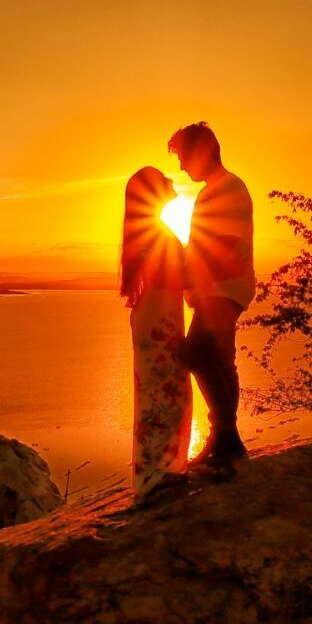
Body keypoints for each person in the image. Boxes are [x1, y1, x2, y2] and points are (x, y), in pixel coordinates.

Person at [168, 120, 252, 473]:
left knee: (201, 353)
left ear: (202, 153)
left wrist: (185, 273)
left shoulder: (228, 188)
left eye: (184, 157)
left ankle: (226, 436)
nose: (183, 167)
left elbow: (226, 246)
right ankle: (225, 437)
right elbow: (203, 245)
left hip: (222, 287)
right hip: (216, 287)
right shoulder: (215, 190)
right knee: (213, 357)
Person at [120, 166, 192, 503]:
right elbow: (171, 279)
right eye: (163, 179)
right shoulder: (157, 234)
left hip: (155, 318)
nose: (170, 181)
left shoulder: (148, 232)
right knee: (165, 393)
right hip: (160, 320)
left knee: (156, 394)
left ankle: (155, 471)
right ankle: (158, 473)